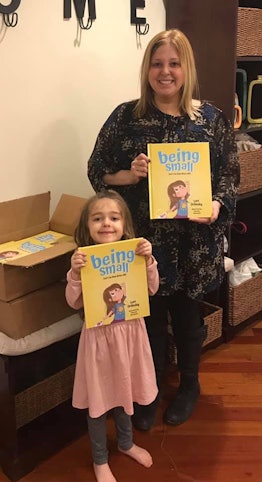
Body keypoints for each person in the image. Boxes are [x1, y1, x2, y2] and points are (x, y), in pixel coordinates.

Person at [87, 29, 240, 430]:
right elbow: (96, 171)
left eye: (174, 63)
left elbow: (228, 175)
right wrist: (129, 174)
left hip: (194, 244)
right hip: (145, 247)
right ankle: (150, 391)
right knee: (149, 321)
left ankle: (189, 385)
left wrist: (217, 207)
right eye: (157, 63)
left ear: (185, 67)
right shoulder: (126, 117)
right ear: (147, 69)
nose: (165, 72)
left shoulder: (211, 119)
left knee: (189, 320)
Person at [65, 189, 159, 482]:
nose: (106, 224)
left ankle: (126, 442)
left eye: (114, 218)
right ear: (87, 227)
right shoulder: (82, 260)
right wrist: (75, 274)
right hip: (98, 343)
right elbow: (73, 301)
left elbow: (152, 289)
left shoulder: (135, 254)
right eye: (98, 218)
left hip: (130, 336)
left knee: (124, 391)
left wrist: (149, 262)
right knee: (99, 400)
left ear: (124, 225)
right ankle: (100, 459)